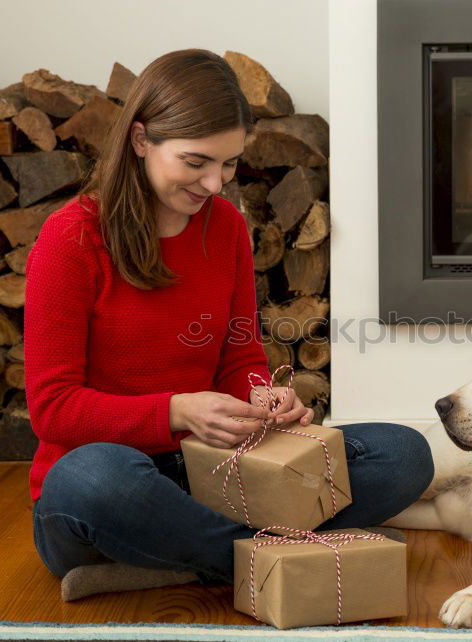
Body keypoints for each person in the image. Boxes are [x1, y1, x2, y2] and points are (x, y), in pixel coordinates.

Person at [23, 49, 434, 602]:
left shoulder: (227, 230)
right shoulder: (70, 238)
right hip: (115, 487)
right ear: (141, 140)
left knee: (403, 453)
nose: (215, 184)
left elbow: (240, 359)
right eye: (196, 163)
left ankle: (202, 559)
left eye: (230, 164)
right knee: (91, 479)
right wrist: (178, 410)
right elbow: (53, 407)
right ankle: (280, 556)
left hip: (217, 475)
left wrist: (264, 399)